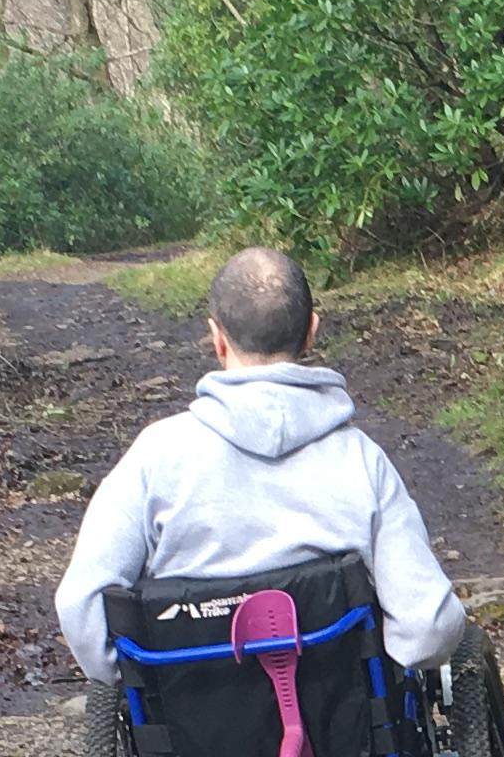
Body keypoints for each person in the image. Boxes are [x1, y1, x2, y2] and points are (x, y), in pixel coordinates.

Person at [52, 246, 470, 685]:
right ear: (311, 332)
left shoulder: (156, 456)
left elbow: (82, 605)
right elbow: (429, 627)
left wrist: (134, 679)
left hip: (192, 732)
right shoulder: (361, 461)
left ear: (217, 338)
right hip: (349, 729)